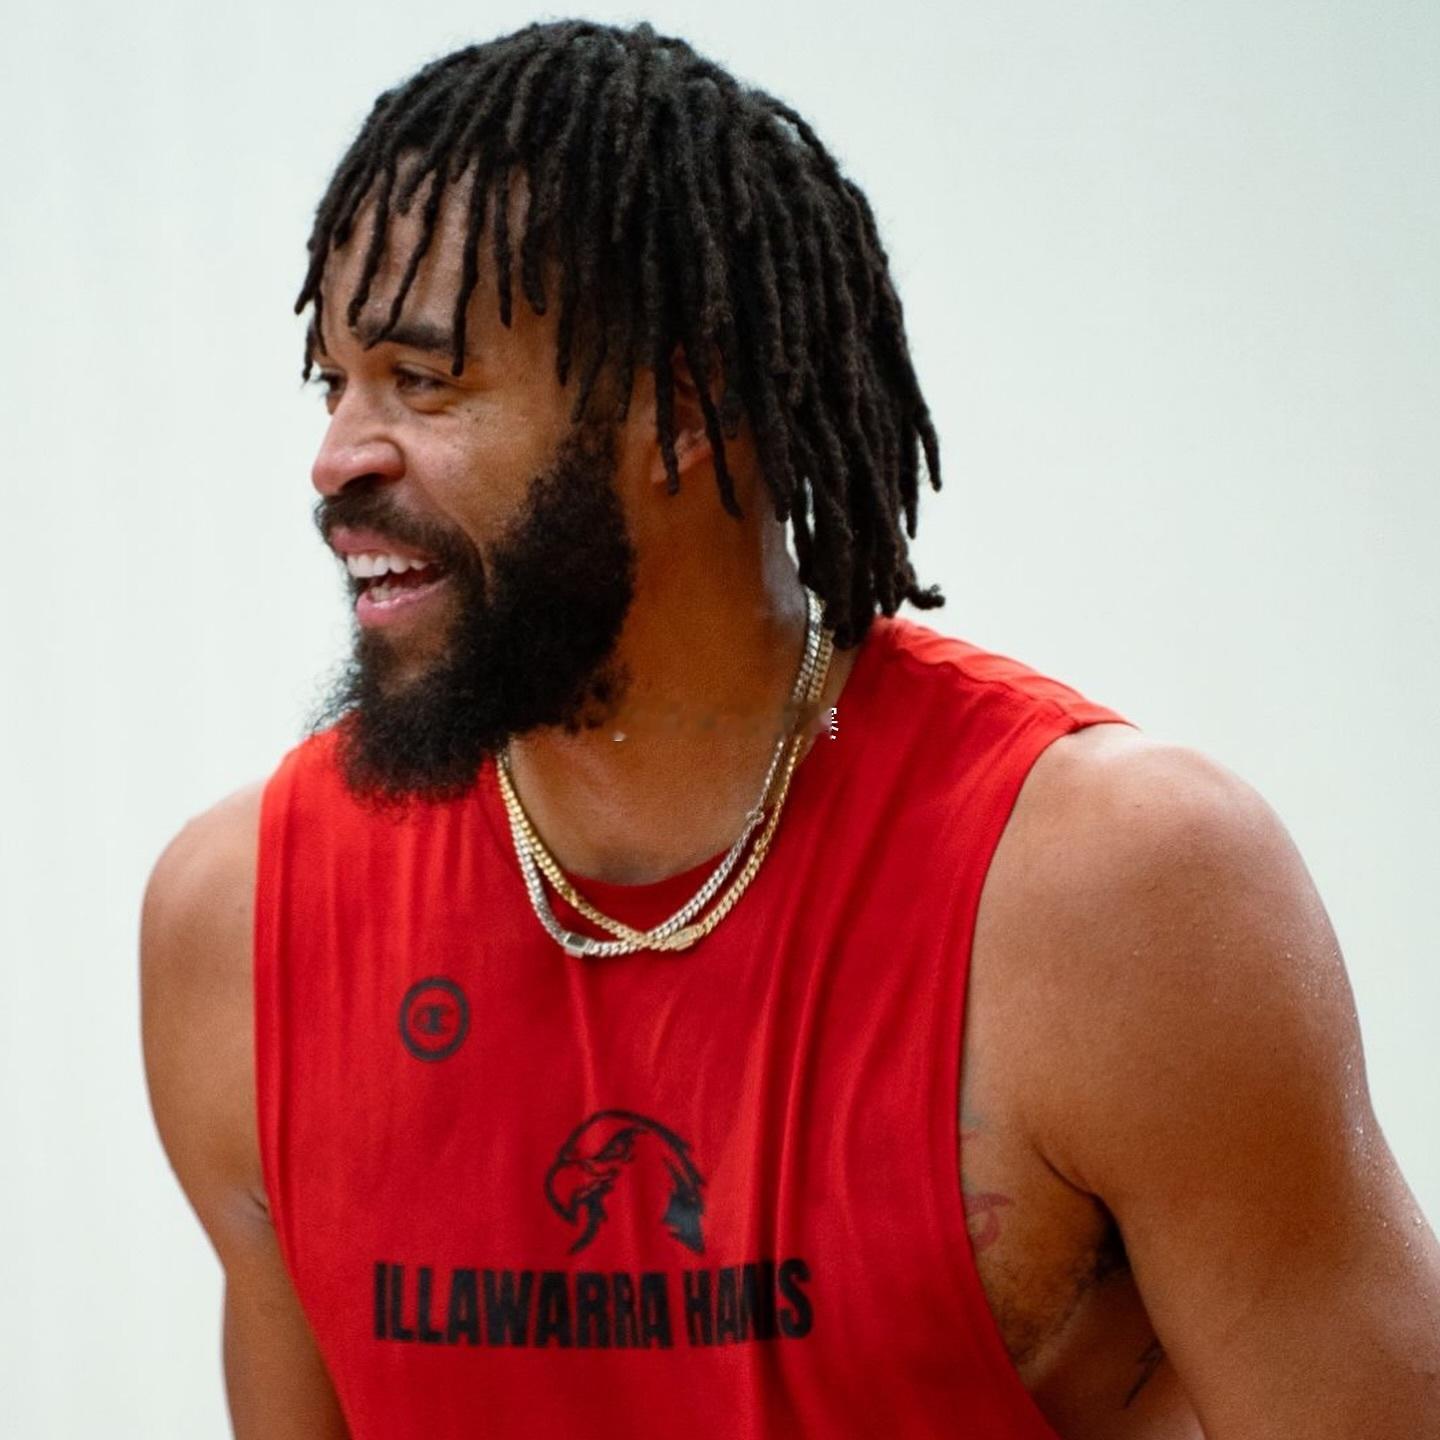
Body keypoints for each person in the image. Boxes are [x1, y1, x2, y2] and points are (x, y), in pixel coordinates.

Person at [140, 19, 1440, 1440]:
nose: (335, 459)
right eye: (332, 382)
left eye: (422, 378)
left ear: (685, 402)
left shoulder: (1113, 895)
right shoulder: (239, 924)